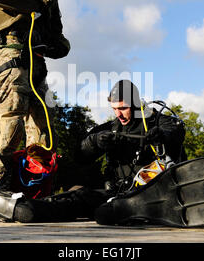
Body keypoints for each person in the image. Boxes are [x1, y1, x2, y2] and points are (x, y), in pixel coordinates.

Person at [12, 79, 188, 222]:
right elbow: (79, 157)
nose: (118, 114)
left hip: (152, 194)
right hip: (115, 193)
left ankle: (121, 211)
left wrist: (161, 137)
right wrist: (94, 142)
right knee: (79, 196)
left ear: (136, 104)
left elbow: (176, 132)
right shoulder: (109, 128)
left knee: (105, 213)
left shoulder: (158, 122)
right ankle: (31, 208)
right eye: (114, 109)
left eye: (123, 108)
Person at [0, 0, 79, 191]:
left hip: (37, 65)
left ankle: (35, 189)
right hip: (12, 55)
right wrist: (29, 5)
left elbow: (58, 36)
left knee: (44, 132)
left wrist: (57, 45)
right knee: (9, 128)